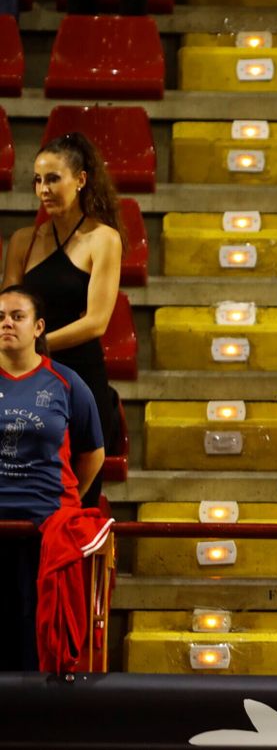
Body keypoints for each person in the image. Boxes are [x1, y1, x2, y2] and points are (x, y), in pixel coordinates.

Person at [4, 135, 122, 505]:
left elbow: (96, 322)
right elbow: (8, 307)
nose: (43, 189)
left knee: (74, 498)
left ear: (81, 180)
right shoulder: (24, 240)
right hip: (27, 375)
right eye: (37, 181)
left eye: (53, 179)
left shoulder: (103, 239)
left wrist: (38, 345)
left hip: (80, 377)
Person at [0, 285, 102, 672]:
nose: (6, 323)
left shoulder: (67, 382)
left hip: (43, 529)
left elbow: (93, 454)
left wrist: (60, 500)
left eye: (17, 316)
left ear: (39, 327)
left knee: (33, 626)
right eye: (0, 317)